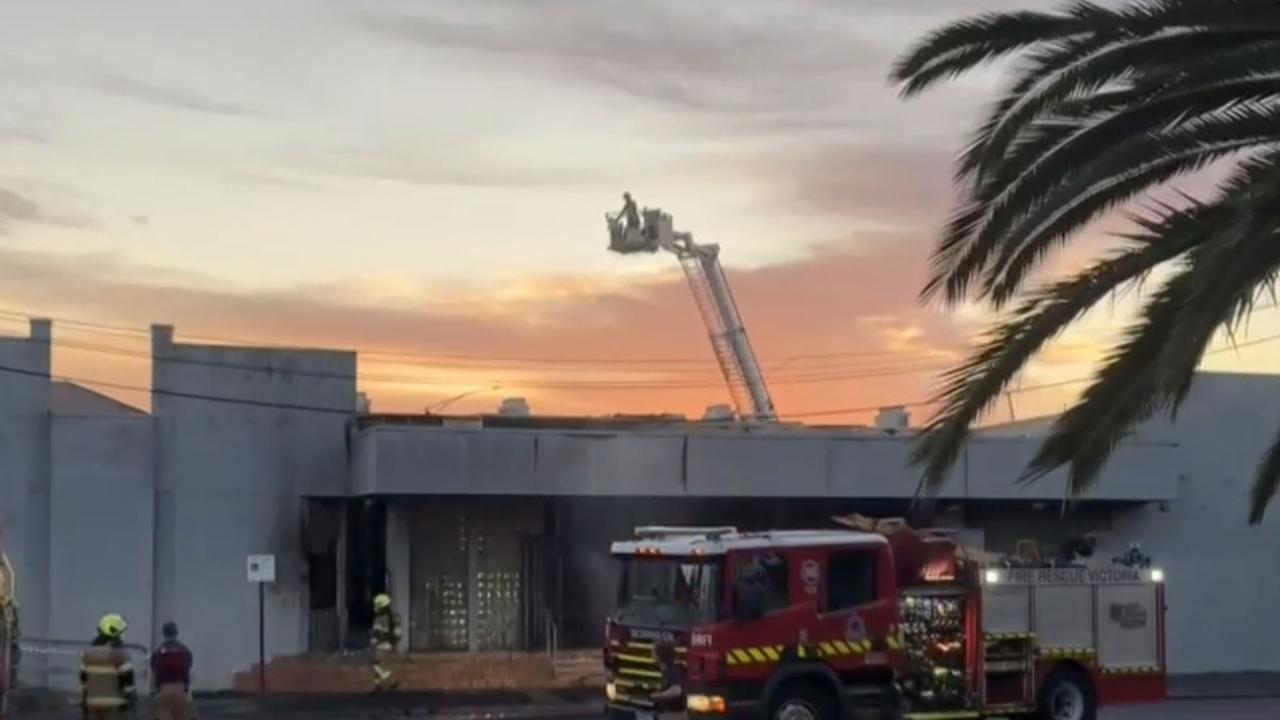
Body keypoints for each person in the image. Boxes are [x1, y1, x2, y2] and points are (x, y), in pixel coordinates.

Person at [80, 614, 136, 720]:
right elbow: (128, 679)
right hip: (114, 703)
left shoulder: (87, 653)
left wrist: (84, 701)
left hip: (92, 703)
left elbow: (83, 680)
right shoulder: (120, 654)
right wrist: (130, 699)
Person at [151, 621, 195, 720]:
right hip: (181, 689)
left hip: (163, 690)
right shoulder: (185, 650)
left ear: (163, 633)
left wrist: (156, 690)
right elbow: (188, 670)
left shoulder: (158, 652)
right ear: (176, 633)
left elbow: (155, 672)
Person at [370, 593, 401, 692]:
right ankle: (384, 684)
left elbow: (377, 633)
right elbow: (397, 633)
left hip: (381, 646)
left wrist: (374, 640)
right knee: (385, 666)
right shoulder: (393, 617)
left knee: (378, 665)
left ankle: (382, 685)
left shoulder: (380, 619)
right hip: (389, 646)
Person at [649, 641, 684, 720]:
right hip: (666, 713)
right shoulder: (665, 671)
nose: (651, 655)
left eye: (653, 652)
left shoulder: (673, 671)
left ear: (660, 655)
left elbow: (676, 690)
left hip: (674, 715)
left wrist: (659, 695)